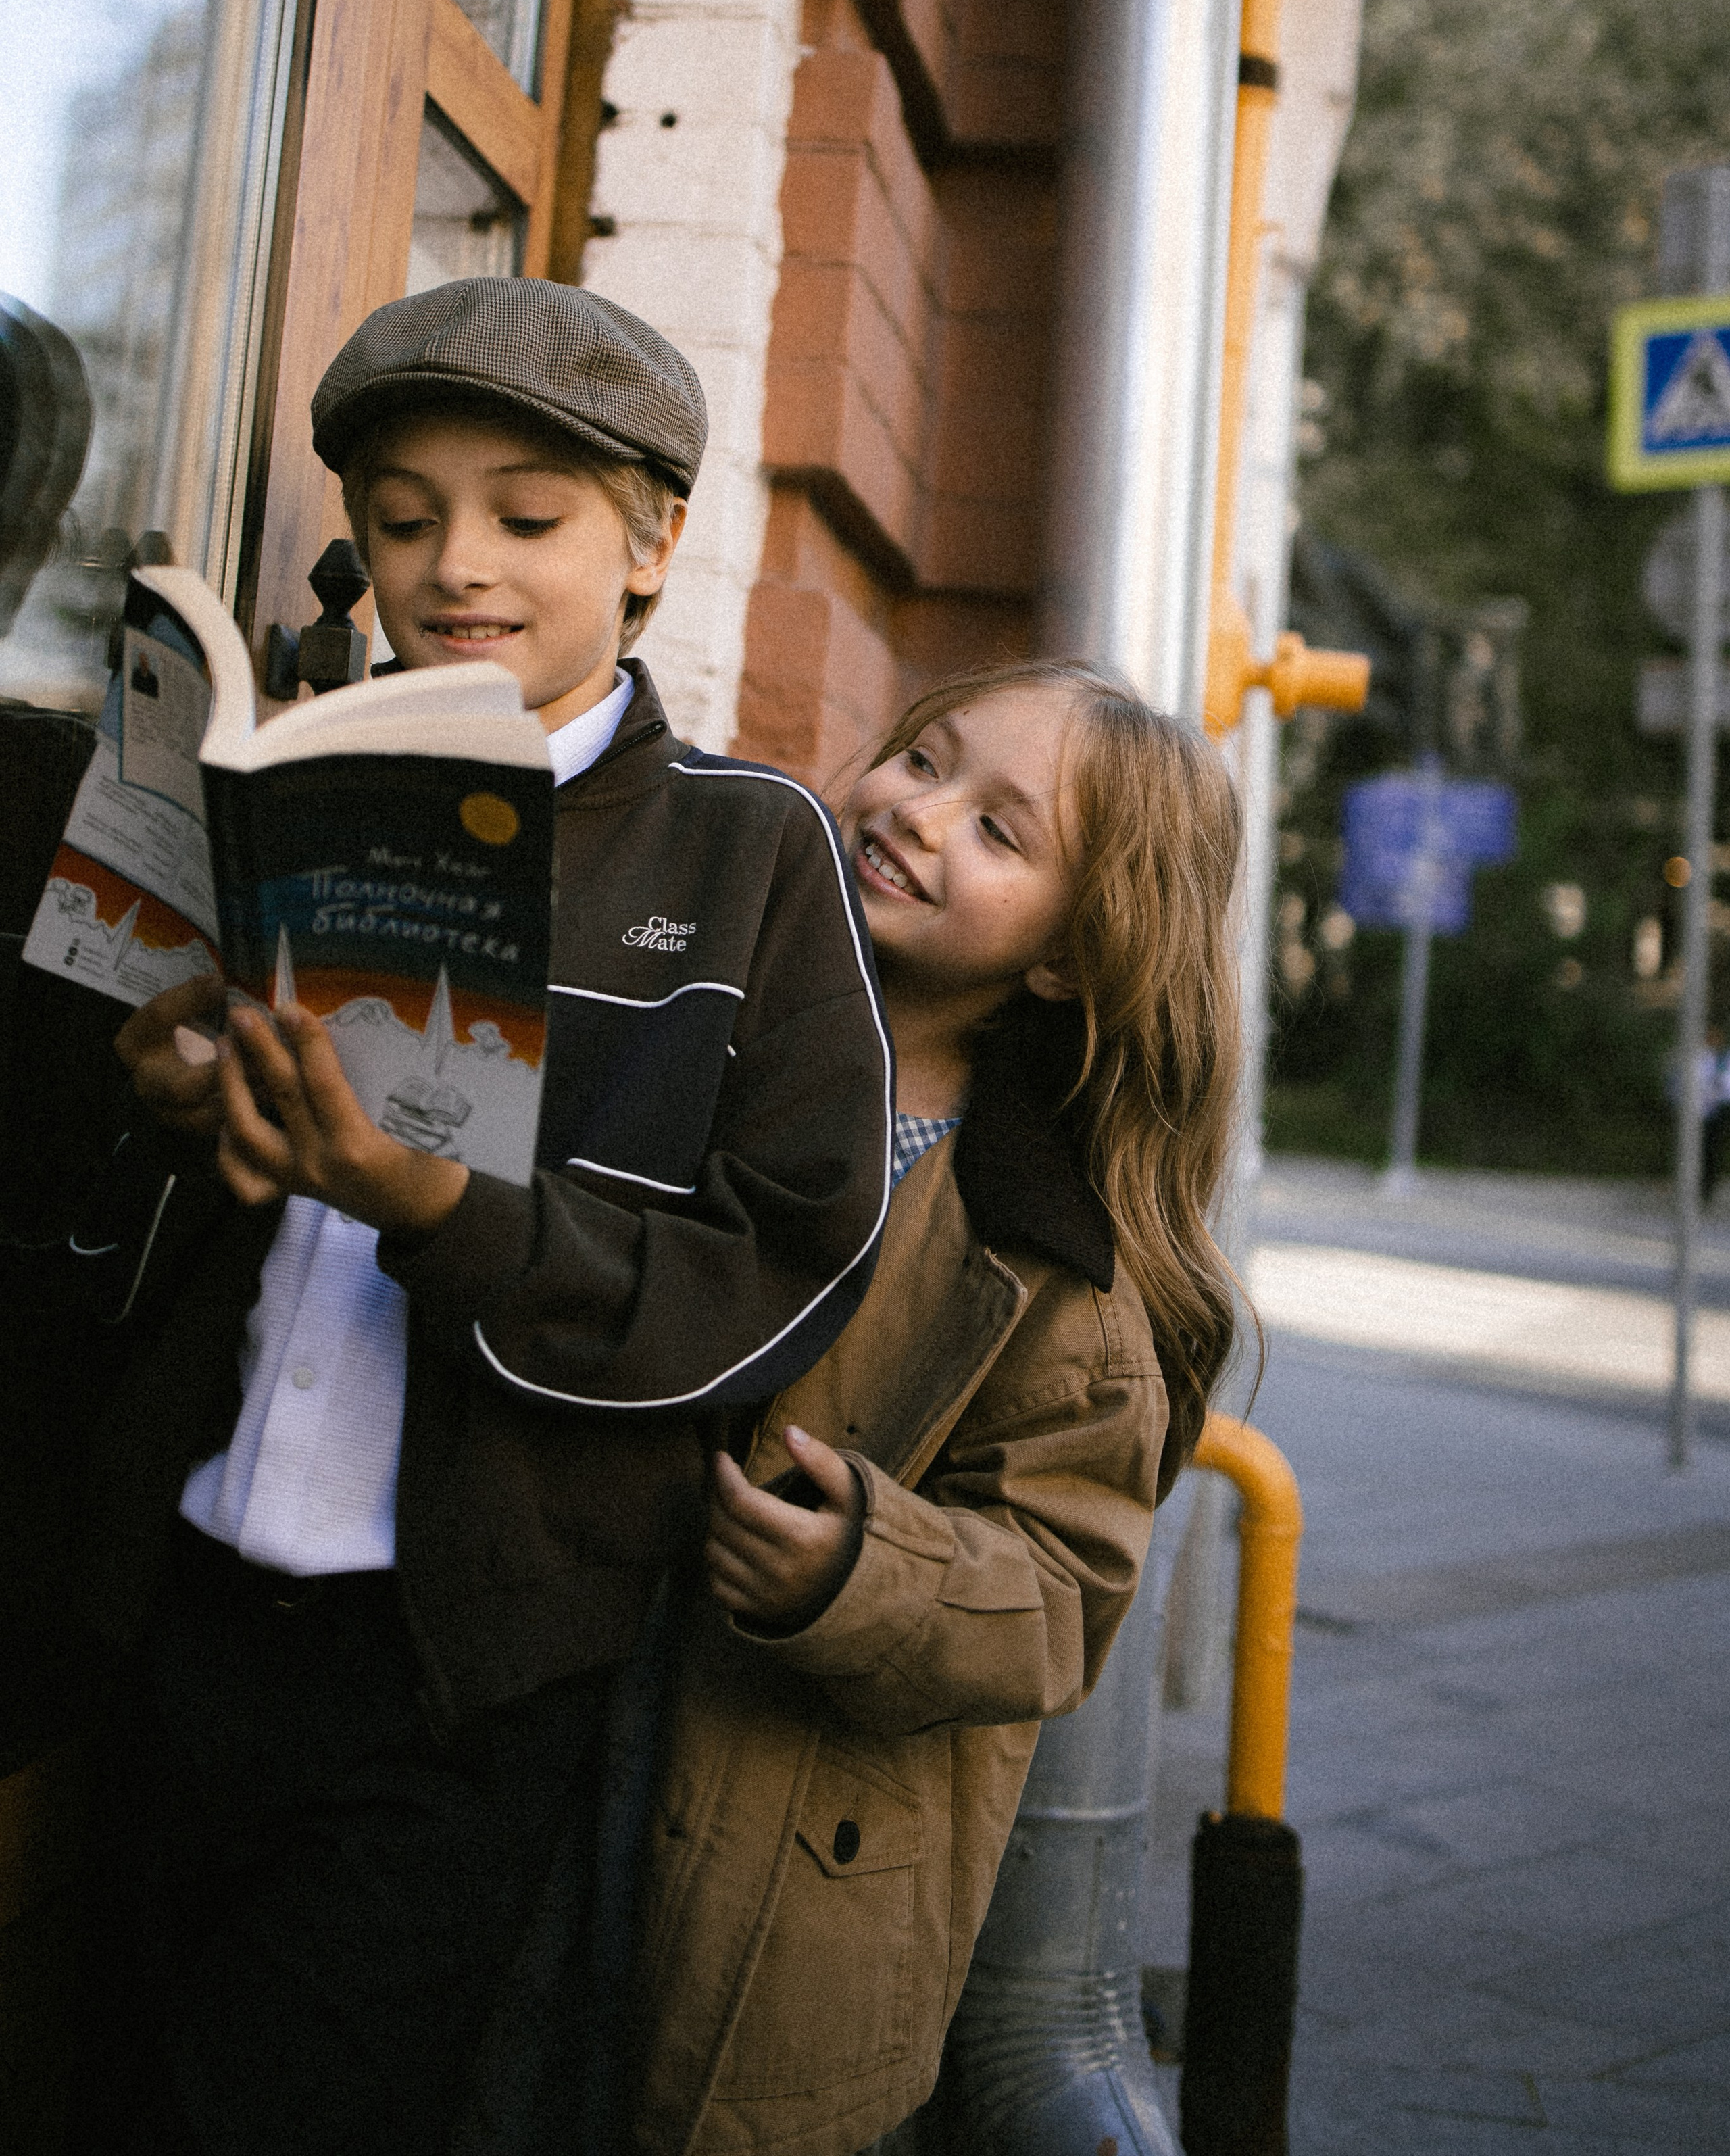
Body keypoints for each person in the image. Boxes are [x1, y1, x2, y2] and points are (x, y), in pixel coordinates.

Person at [61, 276, 892, 2155]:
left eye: (531, 517)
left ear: (656, 544)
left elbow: (783, 1264)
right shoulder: (287, 773)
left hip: (452, 1665)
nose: (460, 566)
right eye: (407, 515)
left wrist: (448, 1210)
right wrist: (191, 1103)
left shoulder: (748, 854)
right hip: (177, 1596)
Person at [622, 659, 1246, 2156]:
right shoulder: (704, 1028)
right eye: (919, 757)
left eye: (997, 830)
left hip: (787, 1885)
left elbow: (1059, 1592)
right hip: (575, 1764)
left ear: (1066, 960)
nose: (914, 812)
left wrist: (864, 1573)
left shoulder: (1056, 1274)